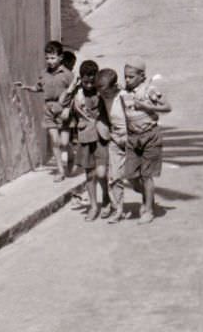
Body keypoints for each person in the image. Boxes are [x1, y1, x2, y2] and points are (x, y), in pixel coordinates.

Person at [14, 40, 73, 182]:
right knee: (55, 141)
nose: (50, 61)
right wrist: (25, 87)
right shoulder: (44, 73)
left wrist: (67, 109)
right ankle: (60, 171)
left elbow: (74, 93)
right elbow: (38, 88)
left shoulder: (67, 74)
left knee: (64, 143)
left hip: (64, 111)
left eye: (53, 58)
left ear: (60, 58)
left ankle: (71, 155)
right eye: (47, 58)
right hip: (49, 111)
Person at [121, 56, 172, 225]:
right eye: (125, 76)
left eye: (131, 77)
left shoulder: (149, 90)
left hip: (150, 135)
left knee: (147, 175)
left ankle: (148, 210)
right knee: (131, 176)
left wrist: (147, 106)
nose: (127, 80)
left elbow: (167, 107)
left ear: (141, 76)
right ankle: (147, 197)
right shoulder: (124, 92)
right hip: (133, 137)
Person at [62, 60, 111, 221]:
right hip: (84, 138)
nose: (89, 85)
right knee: (89, 174)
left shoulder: (101, 91)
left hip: (100, 136)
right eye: (85, 81)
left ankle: (106, 197)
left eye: (92, 81)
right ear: (80, 78)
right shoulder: (76, 92)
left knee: (102, 173)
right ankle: (93, 205)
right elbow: (62, 103)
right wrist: (72, 86)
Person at [98, 67, 131, 224]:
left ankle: (147, 203)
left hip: (130, 137)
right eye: (102, 92)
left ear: (114, 86)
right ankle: (118, 209)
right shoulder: (103, 96)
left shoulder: (124, 96)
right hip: (115, 138)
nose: (103, 95)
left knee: (136, 177)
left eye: (106, 92)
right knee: (114, 177)